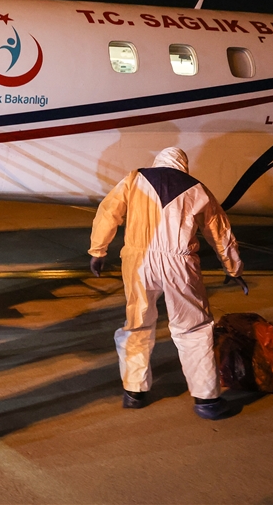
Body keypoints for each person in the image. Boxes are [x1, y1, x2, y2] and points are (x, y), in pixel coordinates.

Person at [88, 147, 247, 420]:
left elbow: (108, 212)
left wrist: (98, 251)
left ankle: (134, 392)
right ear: (183, 165)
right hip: (180, 264)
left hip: (138, 262)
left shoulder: (134, 178)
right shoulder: (197, 188)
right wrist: (233, 267)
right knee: (193, 329)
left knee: (138, 323)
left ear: (158, 162)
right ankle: (206, 400)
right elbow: (219, 230)